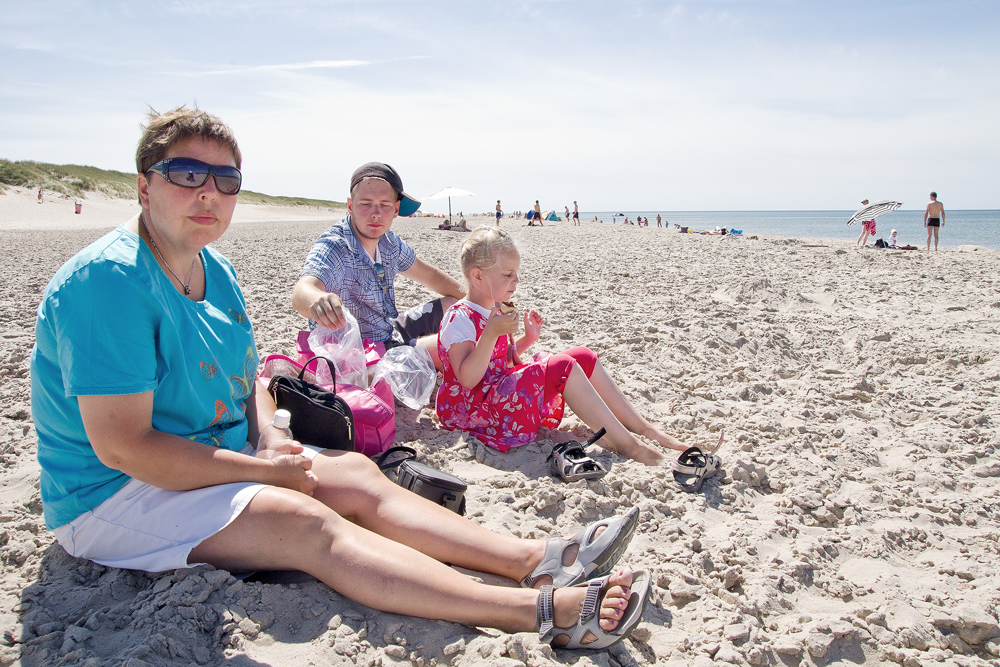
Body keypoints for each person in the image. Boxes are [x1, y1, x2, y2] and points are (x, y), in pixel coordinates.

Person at [29, 107, 649, 651]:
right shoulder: (109, 283)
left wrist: (268, 438)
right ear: (144, 186)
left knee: (354, 472)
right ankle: (536, 612)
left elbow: (246, 383)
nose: (209, 193)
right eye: (186, 174)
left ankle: (534, 561)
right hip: (115, 493)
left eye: (226, 179)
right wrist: (259, 471)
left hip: (213, 450)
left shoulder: (212, 268)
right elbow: (125, 448)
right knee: (303, 523)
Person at [435, 227, 688, 466]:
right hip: (473, 411)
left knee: (583, 356)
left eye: (516, 273)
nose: (516, 281)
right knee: (563, 366)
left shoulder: (494, 308)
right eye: (508, 274)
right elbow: (468, 378)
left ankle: (645, 428)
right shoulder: (459, 317)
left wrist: (528, 339)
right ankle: (632, 448)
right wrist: (491, 332)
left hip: (497, 393)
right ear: (478, 275)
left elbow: (499, 362)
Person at [293, 162, 464, 369]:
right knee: (449, 347)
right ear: (350, 205)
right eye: (366, 203)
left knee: (457, 306)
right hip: (362, 352)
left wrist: (480, 302)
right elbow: (303, 290)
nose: (376, 213)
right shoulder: (336, 246)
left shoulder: (389, 242)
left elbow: (429, 275)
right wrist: (318, 299)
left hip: (389, 330)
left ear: (396, 209)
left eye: (385, 205)